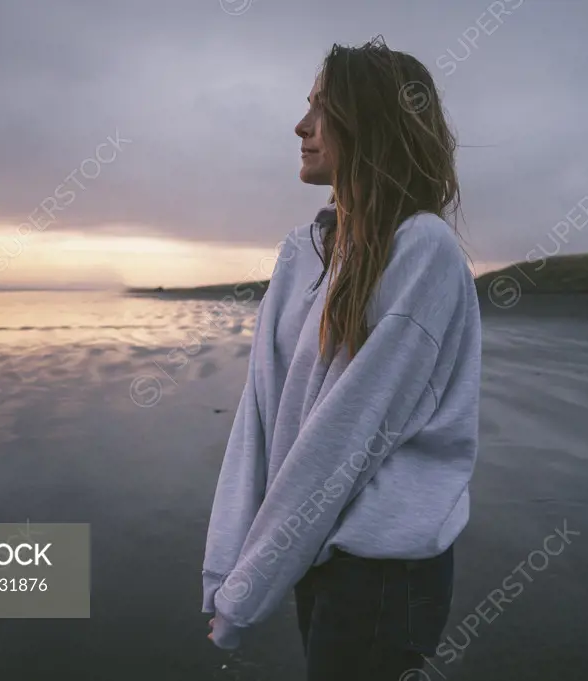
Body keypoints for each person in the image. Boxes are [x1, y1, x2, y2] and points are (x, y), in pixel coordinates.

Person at [202, 36, 482, 681]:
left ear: (372, 121)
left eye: (322, 109)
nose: (301, 126)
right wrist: (229, 566)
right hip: (316, 553)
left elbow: (347, 434)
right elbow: (262, 416)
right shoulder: (299, 252)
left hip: (384, 571)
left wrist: (249, 588)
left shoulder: (423, 252)